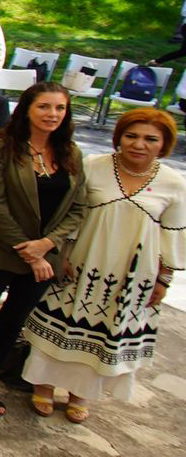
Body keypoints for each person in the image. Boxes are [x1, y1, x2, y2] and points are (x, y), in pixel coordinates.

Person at [22, 110, 183, 422]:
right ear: (119, 137)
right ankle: (42, 385)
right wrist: (61, 254)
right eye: (131, 136)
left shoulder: (173, 183)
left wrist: (164, 280)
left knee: (106, 329)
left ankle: (81, 394)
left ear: (164, 144)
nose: (139, 144)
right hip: (81, 262)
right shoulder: (94, 166)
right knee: (63, 322)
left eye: (151, 139)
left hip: (132, 274)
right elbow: (70, 213)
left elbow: (174, 236)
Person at [0, 82, 85, 415]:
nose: (52, 114)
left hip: (46, 256)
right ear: (26, 109)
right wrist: (29, 250)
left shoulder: (71, 153)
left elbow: (78, 208)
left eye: (59, 108)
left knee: (14, 319)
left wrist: (46, 246)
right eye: (44, 107)